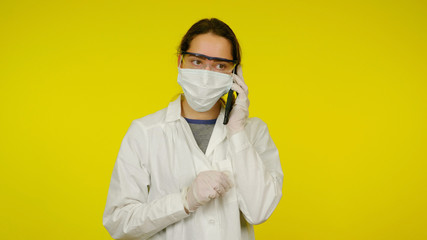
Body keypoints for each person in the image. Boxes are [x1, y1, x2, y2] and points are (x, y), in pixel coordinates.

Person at [103, 18, 284, 240]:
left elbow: (260, 211)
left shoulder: (253, 132)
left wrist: (237, 132)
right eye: (197, 62)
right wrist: (184, 201)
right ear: (180, 61)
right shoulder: (145, 132)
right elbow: (120, 222)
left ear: (235, 72)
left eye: (220, 65)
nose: (207, 73)